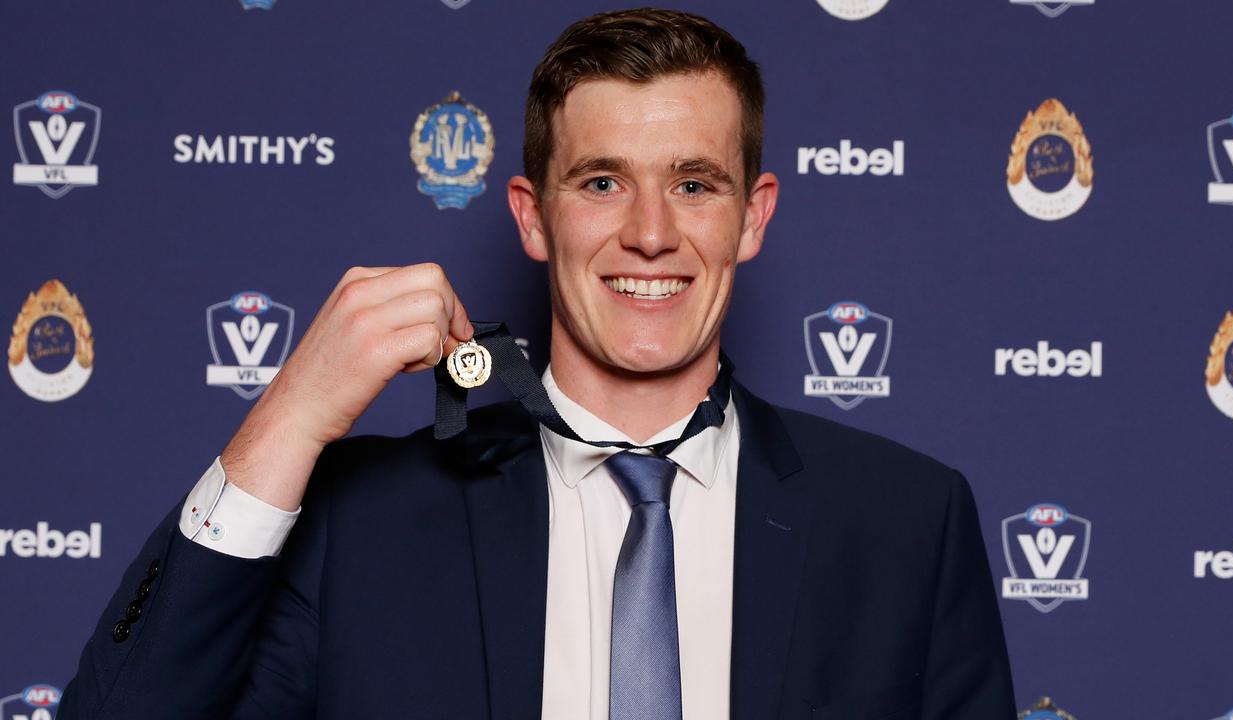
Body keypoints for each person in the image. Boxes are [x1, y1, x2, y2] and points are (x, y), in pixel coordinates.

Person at [60, 8, 1014, 719]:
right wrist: (288, 420)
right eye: (602, 183)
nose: (650, 233)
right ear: (531, 215)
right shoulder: (361, 524)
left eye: (694, 184)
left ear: (752, 216)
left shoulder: (907, 523)